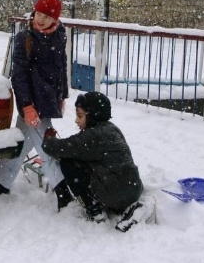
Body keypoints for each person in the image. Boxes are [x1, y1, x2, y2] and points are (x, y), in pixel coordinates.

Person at [0, 0, 75, 211]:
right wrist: (27, 106)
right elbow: (19, 76)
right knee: (47, 144)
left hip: (48, 99)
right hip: (33, 102)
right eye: (38, 13)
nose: (40, 19)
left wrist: (62, 94)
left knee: (22, 142)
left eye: (46, 16)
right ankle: (64, 191)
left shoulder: (59, 35)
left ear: (55, 19)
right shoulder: (24, 38)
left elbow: (61, 65)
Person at [40, 91, 156, 232]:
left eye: (80, 115)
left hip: (113, 192)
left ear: (93, 115)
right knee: (106, 174)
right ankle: (127, 208)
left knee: (68, 163)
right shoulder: (112, 129)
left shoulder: (92, 136)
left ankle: (94, 210)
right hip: (133, 188)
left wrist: (48, 139)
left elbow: (59, 149)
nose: (76, 120)